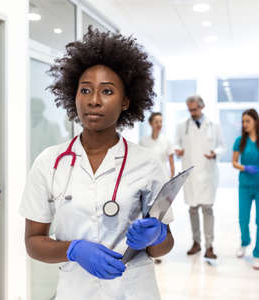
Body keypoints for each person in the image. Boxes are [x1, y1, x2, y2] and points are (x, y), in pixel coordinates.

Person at [19, 27, 174, 300]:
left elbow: (163, 247)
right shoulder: (49, 162)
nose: (94, 100)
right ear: (73, 95)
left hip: (134, 290)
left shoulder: (147, 164)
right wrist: (72, 249)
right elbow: (33, 243)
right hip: (75, 291)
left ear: (126, 101)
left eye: (107, 91)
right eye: (86, 90)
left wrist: (157, 237)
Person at [175, 95, 225, 260]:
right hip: (190, 172)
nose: (192, 113)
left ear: (202, 107)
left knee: (207, 209)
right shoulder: (182, 126)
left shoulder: (214, 125)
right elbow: (177, 143)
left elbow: (222, 146)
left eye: (195, 109)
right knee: (193, 209)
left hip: (207, 172)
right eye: (190, 110)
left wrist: (215, 153)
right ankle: (196, 243)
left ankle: (209, 246)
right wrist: (178, 150)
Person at [232, 108, 259, 270]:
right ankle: (245, 241)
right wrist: (245, 168)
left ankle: (258, 254)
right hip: (244, 185)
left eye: (247, 121)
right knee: (243, 218)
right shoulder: (240, 141)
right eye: (243, 121)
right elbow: (234, 162)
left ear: (255, 122)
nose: (244, 124)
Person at [140, 112, 175, 264]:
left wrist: (171, 180)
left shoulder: (166, 140)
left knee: (161, 216)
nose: (159, 124)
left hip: (163, 182)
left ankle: (157, 247)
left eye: (161, 121)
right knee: (148, 215)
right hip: (147, 182)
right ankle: (147, 246)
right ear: (150, 123)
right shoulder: (144, 141)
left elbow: (171, 161)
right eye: (156, 121)